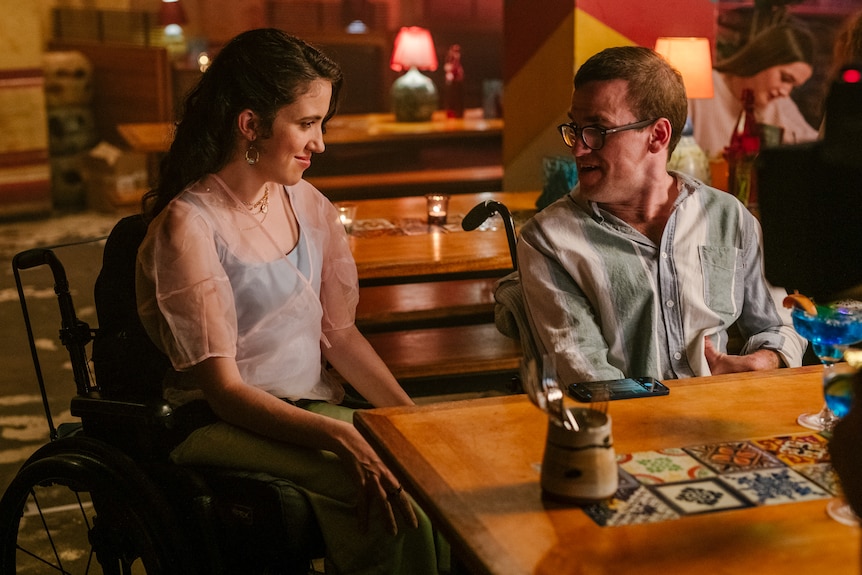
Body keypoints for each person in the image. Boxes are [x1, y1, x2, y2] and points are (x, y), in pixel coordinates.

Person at [135, 28, 439, 574]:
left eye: (320, 124)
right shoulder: (190, 227)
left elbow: (339, 335)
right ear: (250, 125)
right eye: (306, 124)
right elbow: (224, 393)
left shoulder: (307, 203)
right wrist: (337, 434)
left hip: (303, 404)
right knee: (386, 490)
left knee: (430, 470)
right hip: (216, 421)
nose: (319, 143)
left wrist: (411, 420)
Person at [516, 45, 806, 385]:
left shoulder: (729, 217)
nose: (578, 148)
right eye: (575, 128)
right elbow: (587, 375)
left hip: (723, 417)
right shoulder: (548, 240)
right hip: (624, 427)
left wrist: (766, 360)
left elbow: (778, 322)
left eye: (597, 130)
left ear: (658, 136)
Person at [688, 23, 820, 159]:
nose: (785, 92)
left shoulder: (779, 103)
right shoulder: (702, 87)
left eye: (794, 86)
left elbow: (816, 145)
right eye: (785, 78)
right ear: (764, 59)